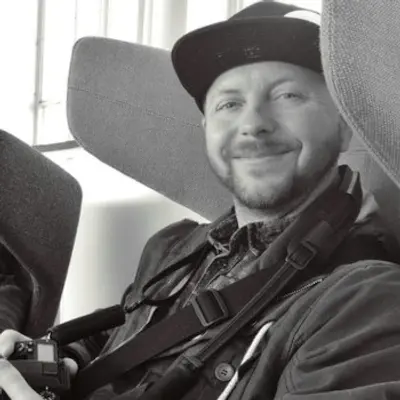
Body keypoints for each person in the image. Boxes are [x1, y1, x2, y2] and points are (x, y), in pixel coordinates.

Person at [2, 1, 400, 399]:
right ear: (208, 128)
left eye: (288, 95)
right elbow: (123, 338)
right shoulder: (175, 246)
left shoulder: (366, 302)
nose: (253, 123)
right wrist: (60, 360)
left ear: (343, 125)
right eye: (230, 104)